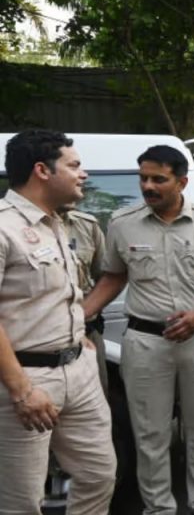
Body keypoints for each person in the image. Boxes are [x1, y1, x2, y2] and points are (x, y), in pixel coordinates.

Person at [84, 145, 194, 515]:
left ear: (182, 182)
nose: (148, 186)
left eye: (159, 179)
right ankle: (159, 509)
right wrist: (80, 314)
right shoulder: (123, 224)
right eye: (143, 178)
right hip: (144, 343)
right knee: (150, 435)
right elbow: (113, 276)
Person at [0, 129, 116, 515]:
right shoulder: (4, 228)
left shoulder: (60, 223)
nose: (83, 174)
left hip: (77, 370)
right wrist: (20, 390)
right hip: (26, 381)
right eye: (74, 166)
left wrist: (75, 336)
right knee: (22, 501)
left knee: (99, 475)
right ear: (42, 171)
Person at [59, 204, 108, 396]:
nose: (82, 176)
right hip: (36, 342)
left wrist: (82, 315)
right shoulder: (9, 224)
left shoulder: (86, 225)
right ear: (43, 173)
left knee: (96, 402)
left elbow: (106, 278)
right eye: (72, 171)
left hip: (89, 331)